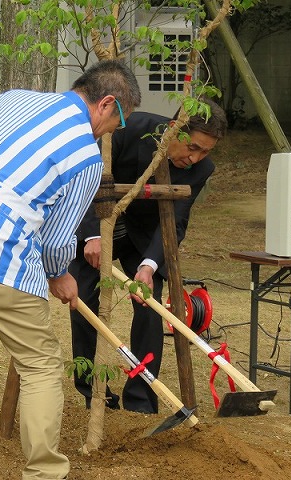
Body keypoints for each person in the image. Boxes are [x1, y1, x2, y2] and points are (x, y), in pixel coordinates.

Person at [0, 59, 141, 480]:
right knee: (40, 366)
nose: (111, 132)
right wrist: (59, 275)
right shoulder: (85, 157)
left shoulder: (14, 100)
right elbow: (55, 239)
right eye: (116, 122)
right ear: (106, 103)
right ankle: (44, 474)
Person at [69, 97, 227, 414]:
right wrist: (94, 234)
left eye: (206, 152)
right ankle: (92, 389)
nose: (196, 158)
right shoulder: (127, 130)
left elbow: (176, 220)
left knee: (149, 306)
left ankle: (142, 397)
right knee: (83, 299)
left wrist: (149, 265)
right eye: (193, 147)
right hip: (98, 223)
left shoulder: (201, 169)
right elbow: (84, 181)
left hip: (144, 237)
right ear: (173, 130)